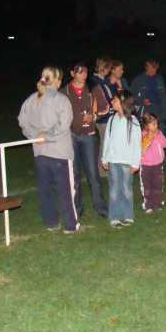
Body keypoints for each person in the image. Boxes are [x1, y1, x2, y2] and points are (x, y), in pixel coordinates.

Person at [18, 66, 81, 234]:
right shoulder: (61, 100)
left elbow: (22, 122)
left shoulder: (31, 99)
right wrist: (44, 136)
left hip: (40, 153)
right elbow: (64, 125)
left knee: (45, 189)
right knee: (66, 190)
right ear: (58, 81)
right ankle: (71, 225)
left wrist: (35, 136)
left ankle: (51, 222)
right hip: (60, 153)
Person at [62, 62, 107, 219]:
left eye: (85, 72)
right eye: (80, 72)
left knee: (93, 174)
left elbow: (105, 107)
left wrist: (94, 116)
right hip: (71, 137)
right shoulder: (65, 92)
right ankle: (77, 208)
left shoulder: (93, 88)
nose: (83, 75)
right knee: (74, 174)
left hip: (88, 136)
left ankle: (101, 207)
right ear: (72, 73)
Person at [101, 91, 141, 228]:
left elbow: (137, 143)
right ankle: (115, 216)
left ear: (122, 103)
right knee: (114, 188)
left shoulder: (133, 121)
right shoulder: (112, 120)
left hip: (127, 161)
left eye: (115, 100)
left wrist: (135, 163)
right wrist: (105, 158)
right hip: (113, 160)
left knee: (126, 188)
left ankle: (127, 215)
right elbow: (107, 139)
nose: (112, 102)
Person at [139, 112, 166, 213]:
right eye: (153, 124)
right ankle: (148, 205)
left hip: (157, 165)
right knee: (147, 186)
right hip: (146, 166)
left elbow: (165, 144)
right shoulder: (142, 135)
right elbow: (141, 150)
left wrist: (158, 136)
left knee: (158, 185)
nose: (156, 126)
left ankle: (157, 203)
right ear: (146, 125)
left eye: (156, 124)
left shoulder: (159, 133)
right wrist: (148, 139)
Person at [91, 56, 114, 177]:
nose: (109, 71)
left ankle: (105, 169)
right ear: (103, 68)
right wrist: (109, 107)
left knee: (107, 144)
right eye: (108, 68)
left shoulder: (103, 81)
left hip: (107, 117)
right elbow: (101, 100)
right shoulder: (96, 81)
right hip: (102, 118)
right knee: (104, 144)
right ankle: (102, 171)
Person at [131, 59, 166, 124]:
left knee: (158, 129)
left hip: (157, 111)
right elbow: (130, 96)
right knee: (144, 129)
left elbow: (164, 97)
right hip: (144, 111)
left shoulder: (160, 79)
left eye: (154, 68)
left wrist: (164, 113)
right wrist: (141, 101)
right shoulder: (138, 79)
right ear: (146, 67)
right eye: (150, 68)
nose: (152, 70)